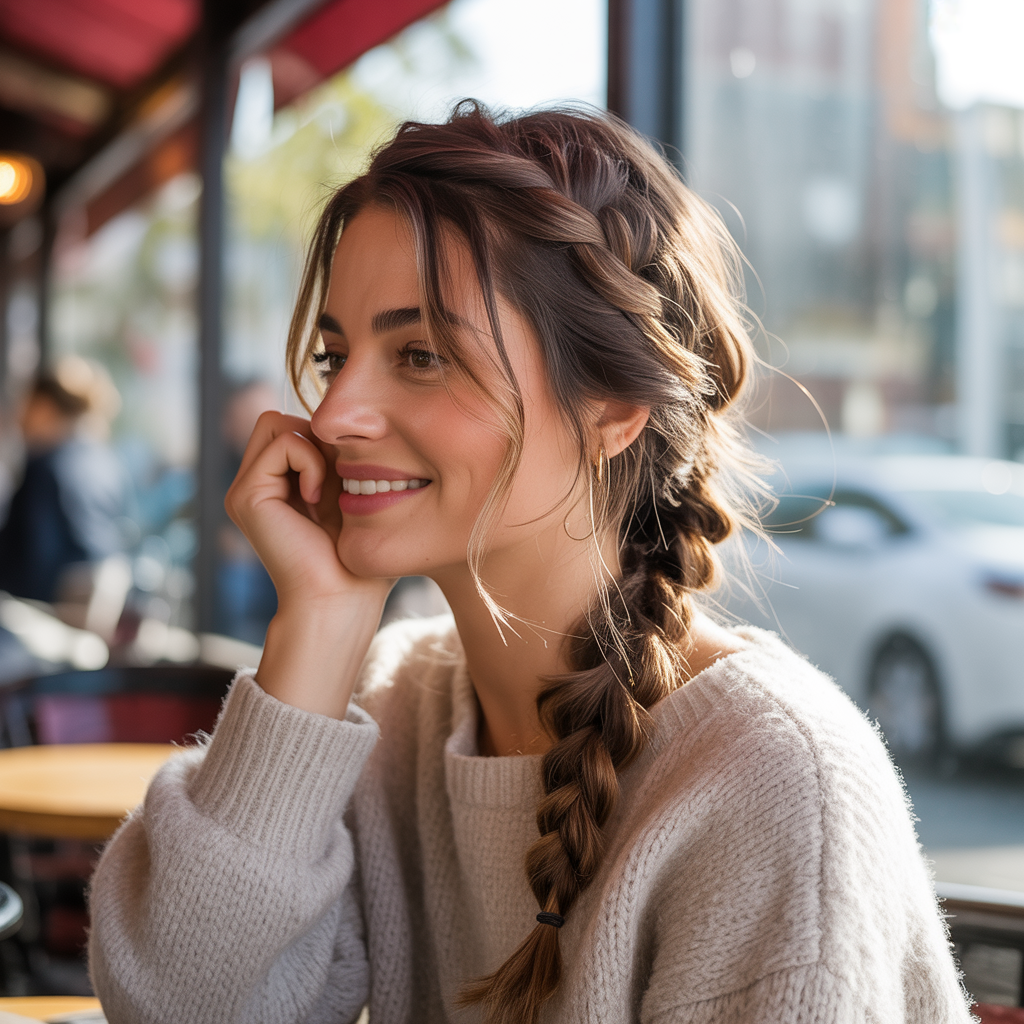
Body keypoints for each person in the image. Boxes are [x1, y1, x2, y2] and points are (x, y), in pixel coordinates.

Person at [88, 104, 971, 1024]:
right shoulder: (394, 710)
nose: (336, 412)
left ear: (612, 406)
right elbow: (174, 1003)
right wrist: (316, 622)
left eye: (420, 354)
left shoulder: (775, 781)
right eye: (334, 354)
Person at [0, 360, 126, 603]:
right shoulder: (106, 462)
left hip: (47, 609)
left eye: (26, 403)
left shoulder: (46, 467)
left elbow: (34, 559)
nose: (19, 415)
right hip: (93, 607)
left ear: (45, 408)